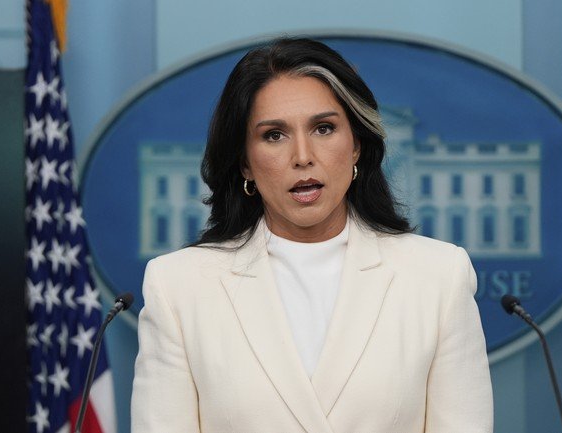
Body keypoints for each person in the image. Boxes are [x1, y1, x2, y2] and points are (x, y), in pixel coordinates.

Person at [131, 37, 493, 433]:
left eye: (324, 128)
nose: (302, 156)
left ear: (356, 145)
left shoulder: (440, 276)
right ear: (245, 162)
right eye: (274, 135)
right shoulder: (178, 286)